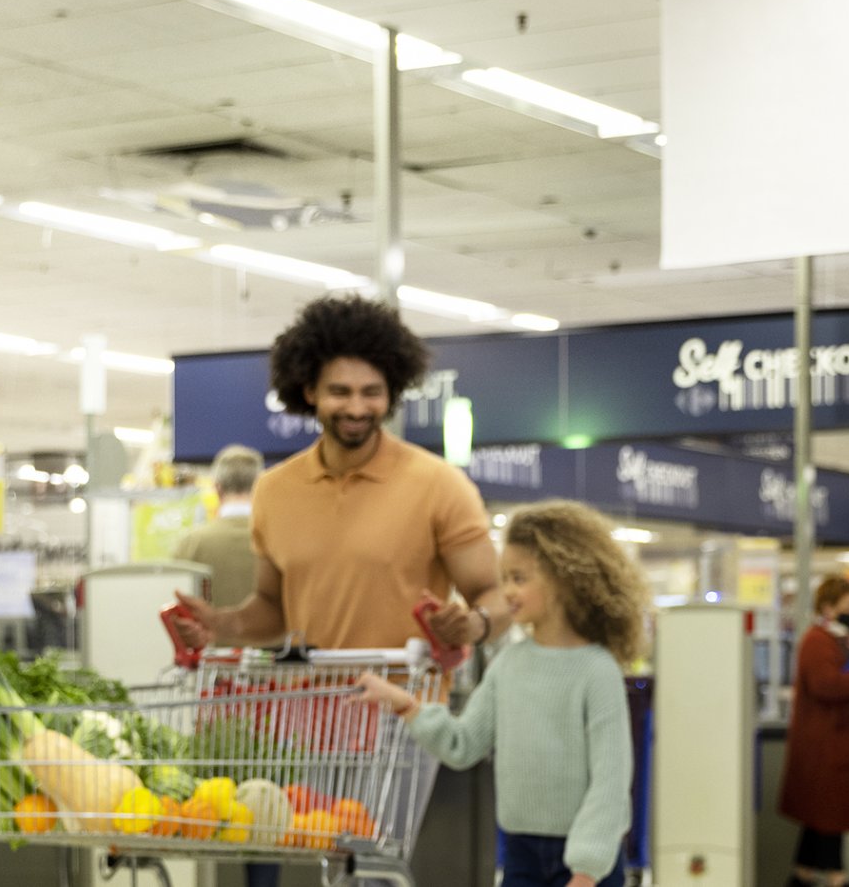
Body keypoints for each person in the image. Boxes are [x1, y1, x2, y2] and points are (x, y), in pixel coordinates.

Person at [169, 294, 503, 653]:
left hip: (406, 704)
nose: (357, 408)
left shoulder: (439, 484)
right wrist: (219, 625)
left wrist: (474, 623)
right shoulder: (274, 489)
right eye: (340, 392)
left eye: (371, 392)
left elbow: (493, 593)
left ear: (391, 394)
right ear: (310, 391)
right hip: (308, 703)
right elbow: (272, 609)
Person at [355, 502, 644, 887]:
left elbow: (610, 781)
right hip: (520, 855)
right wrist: (405, 704)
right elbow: (463, 744)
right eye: (504, 578)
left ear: (565, 578)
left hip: (588, 865)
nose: (506, 591)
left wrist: (586, 869)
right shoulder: (507, 664)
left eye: (519, 578)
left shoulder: (597, 671)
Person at [780, 576, 849, 887]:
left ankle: (802, 874)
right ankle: (836, 878)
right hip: (825, 744)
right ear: (828, 607)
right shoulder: (817, 641)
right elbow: (826, 685)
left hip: (840, 740)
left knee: (822, 816)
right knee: (830, 813)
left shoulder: (841, 640)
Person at [172, 444, 266, 609]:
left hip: (212, 634)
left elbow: (178, 605)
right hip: (272, 635)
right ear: (259, 486)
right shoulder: (278, 540)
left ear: (217, 488)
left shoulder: (191, 543)